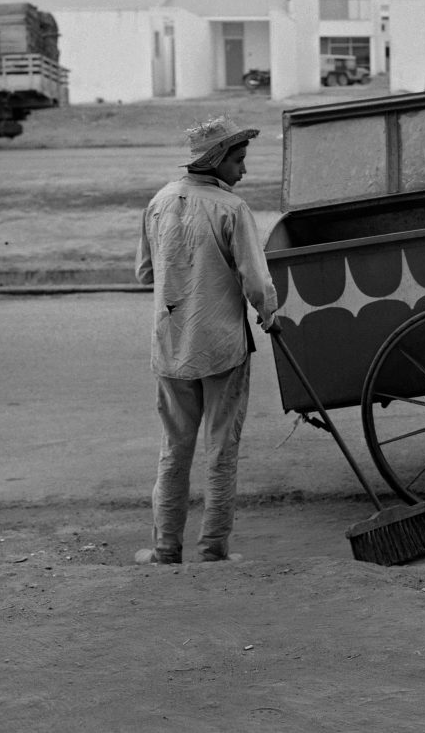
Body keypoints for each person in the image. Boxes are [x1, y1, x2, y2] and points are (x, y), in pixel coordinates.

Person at [134, 115, 278, 563]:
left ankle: (165, 549)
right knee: (221, 449)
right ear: (216, 161)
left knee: (174, 450)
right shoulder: (231, 209)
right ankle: (214, 548)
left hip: (170, 345)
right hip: (220, 347)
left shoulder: (158, 202)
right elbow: (257, 282)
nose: (243, 169)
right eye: (238, 160)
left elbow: (145, 272)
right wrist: (268, 314)